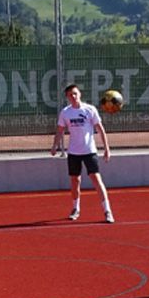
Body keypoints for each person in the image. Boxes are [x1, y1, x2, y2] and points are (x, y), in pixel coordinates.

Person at [51, 84, 114, 223]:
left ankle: (107, 211)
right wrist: (55, 146)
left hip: (89, 151)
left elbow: (100, 129)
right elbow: (60, 130)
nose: (73, 97)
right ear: (67, 97)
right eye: (70, 95)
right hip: (73, 152)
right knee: (75, 181)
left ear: (79, 94)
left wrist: (106, 148)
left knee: (96, 179)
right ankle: (75, 208)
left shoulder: (90, 110)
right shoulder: (66, 113)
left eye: (75, 93)